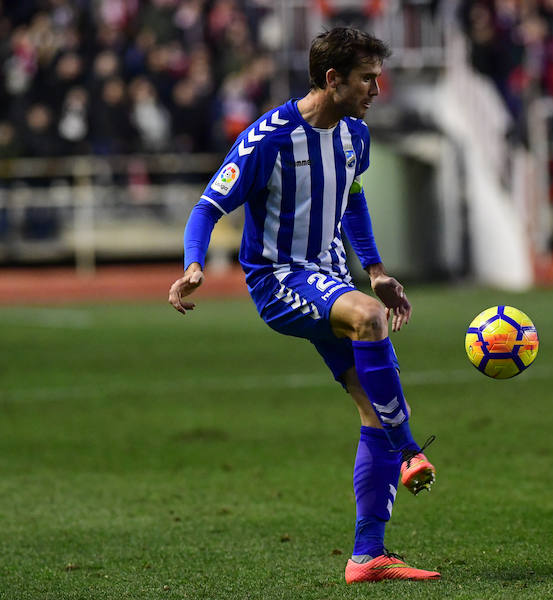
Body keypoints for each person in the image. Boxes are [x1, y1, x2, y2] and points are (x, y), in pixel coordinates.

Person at [167, 27, 440, 583]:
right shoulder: (268, 138)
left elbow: (353, 197)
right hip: (279, 278)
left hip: (330, 275)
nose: (376, 90)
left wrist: (378, 269)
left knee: (370, 405)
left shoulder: (355, 135)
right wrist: (194, 264)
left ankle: (368, 556)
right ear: (333, 78)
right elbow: (206, 207)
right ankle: (411, 448)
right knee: (367, 318)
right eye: (367, 79)